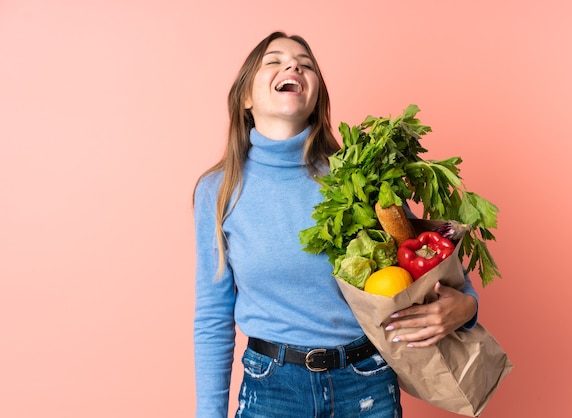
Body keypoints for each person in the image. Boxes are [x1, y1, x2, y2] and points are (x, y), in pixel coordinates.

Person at [193, 31, 479, 418]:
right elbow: (213, 316)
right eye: (274, 61)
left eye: (305, 64)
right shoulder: (219, 190)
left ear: (315, 98)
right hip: (271, 390)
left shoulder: (358, 176)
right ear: (246, 98)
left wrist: (466, 307)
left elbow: (426, 261)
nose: (293, 66)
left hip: (365, 382)